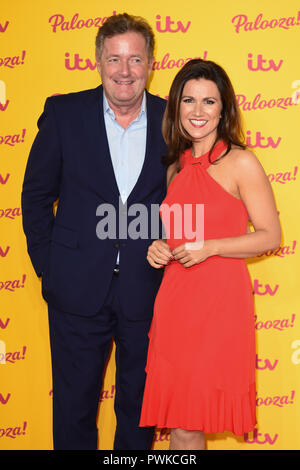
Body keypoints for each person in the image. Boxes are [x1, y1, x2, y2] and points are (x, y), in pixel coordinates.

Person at [21, 13, 167, 450]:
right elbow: (35, 195)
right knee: (73, 409)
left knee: (139, 411)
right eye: (115, 59)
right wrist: (51, 265)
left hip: (149, 289)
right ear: (98, 61)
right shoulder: (64, 113)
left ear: (150, 63)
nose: (125, 71)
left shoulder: (172, 117)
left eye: (135, 59)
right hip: (75, 289)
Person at [139, 59, 281, 450]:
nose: (198, 111)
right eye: (189, 100)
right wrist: (160, 247)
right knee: (180, 424)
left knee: (188, 422)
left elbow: (271, 235)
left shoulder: (242, 162)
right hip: (175, 303)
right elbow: (179, 236)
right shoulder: (174, 168)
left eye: (208, 101)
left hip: (219, 305)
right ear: (177, 108)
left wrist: (213, 247)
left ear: (224, 109)